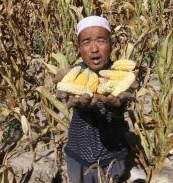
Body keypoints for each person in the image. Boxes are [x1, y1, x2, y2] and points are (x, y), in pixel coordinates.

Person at [54, 16, 137, 183]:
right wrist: (61, 90)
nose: (94, 49)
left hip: (111, 157)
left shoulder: (122, 75)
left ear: (111, 44)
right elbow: (59, 84)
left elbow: (129, 92)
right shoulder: (75, 73)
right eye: (86, 42)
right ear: (79, 48)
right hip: (78, 155)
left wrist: (118, 104)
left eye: (101, 40)